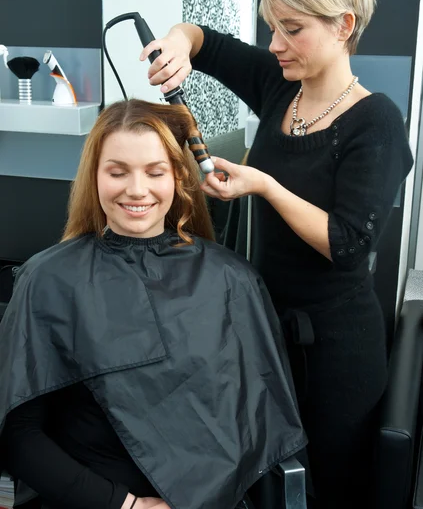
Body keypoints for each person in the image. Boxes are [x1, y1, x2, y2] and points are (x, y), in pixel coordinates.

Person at [140, 0, 414, 508]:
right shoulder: (278, 86)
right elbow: (203, 40)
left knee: (327, 488)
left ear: (343, 26)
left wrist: (265, 186)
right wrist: (175, 42)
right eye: (272, 28)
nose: (275, 45)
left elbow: (348, 243)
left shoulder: (375, 120)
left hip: (337, 355)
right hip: (263, 335)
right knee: (263, 483)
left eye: (293, 29)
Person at [0, 100, 306, 509]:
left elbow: (258, 428)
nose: (137, 189)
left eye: (155, 172)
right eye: (117, 172)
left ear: (178, 177)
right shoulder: (49, 280)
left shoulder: (232, 279)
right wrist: (125, 505)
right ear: (95, 176)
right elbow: (19, 435)